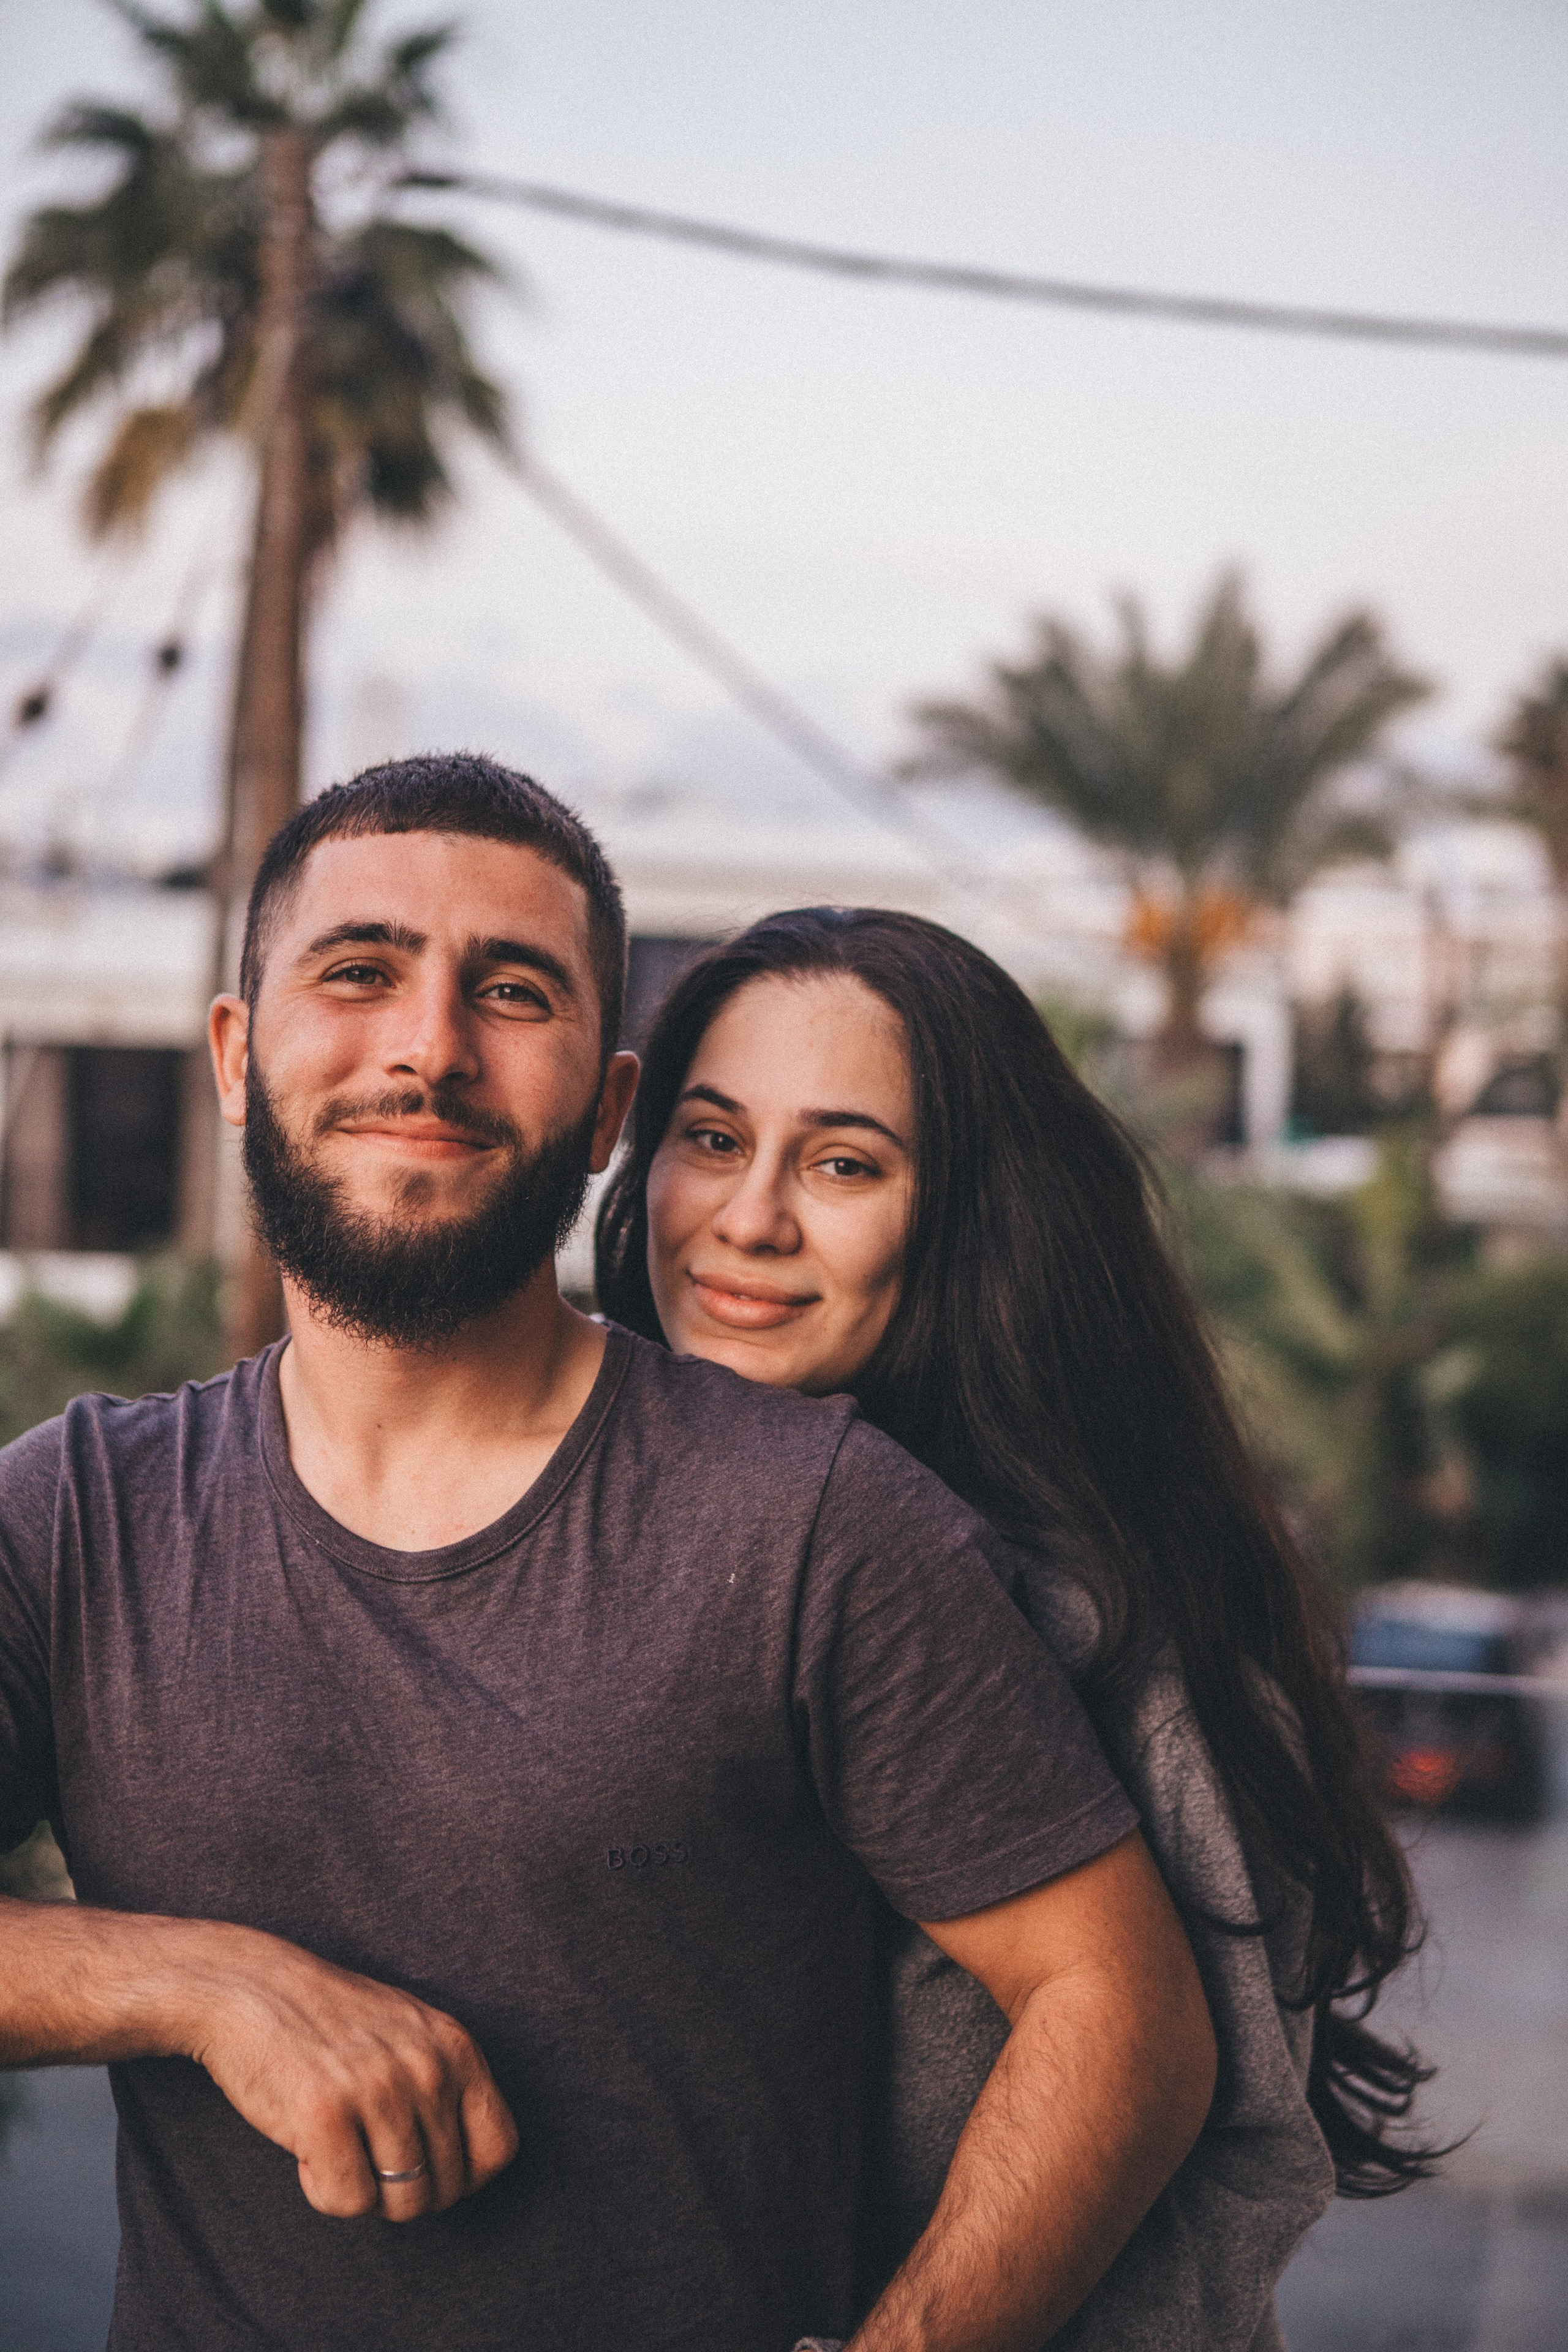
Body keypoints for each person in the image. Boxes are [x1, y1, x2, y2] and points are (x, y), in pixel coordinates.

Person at [0, 756, 1217, 2352]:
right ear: (237, 1057)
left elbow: (1124, 2013)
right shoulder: (77, 1512)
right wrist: (205, 1985)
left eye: (511, 992)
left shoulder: (819, 1522)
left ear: (608, 1111)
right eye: (359, 972)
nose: (430, 1046)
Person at [595, 903, 1441, 2352]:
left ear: (971, 1216)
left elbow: (1230, 2159)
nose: (748, 1220)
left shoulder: (1093, 1615)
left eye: (843, 1162)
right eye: (713, 1139)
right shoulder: (628, 1535)